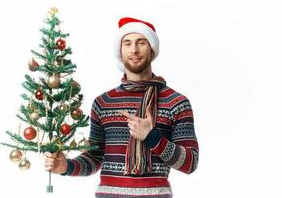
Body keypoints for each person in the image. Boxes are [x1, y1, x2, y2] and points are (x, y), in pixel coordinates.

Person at [44, 17, 199, 198]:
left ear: (152, 48)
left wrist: (152, 137)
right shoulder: (104, 102)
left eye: (141, 42)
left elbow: (190, 163)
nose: (134, 50)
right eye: (127, 43)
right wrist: (66, 167)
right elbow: (94, 157)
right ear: (120, 50)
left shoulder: (176, 102)